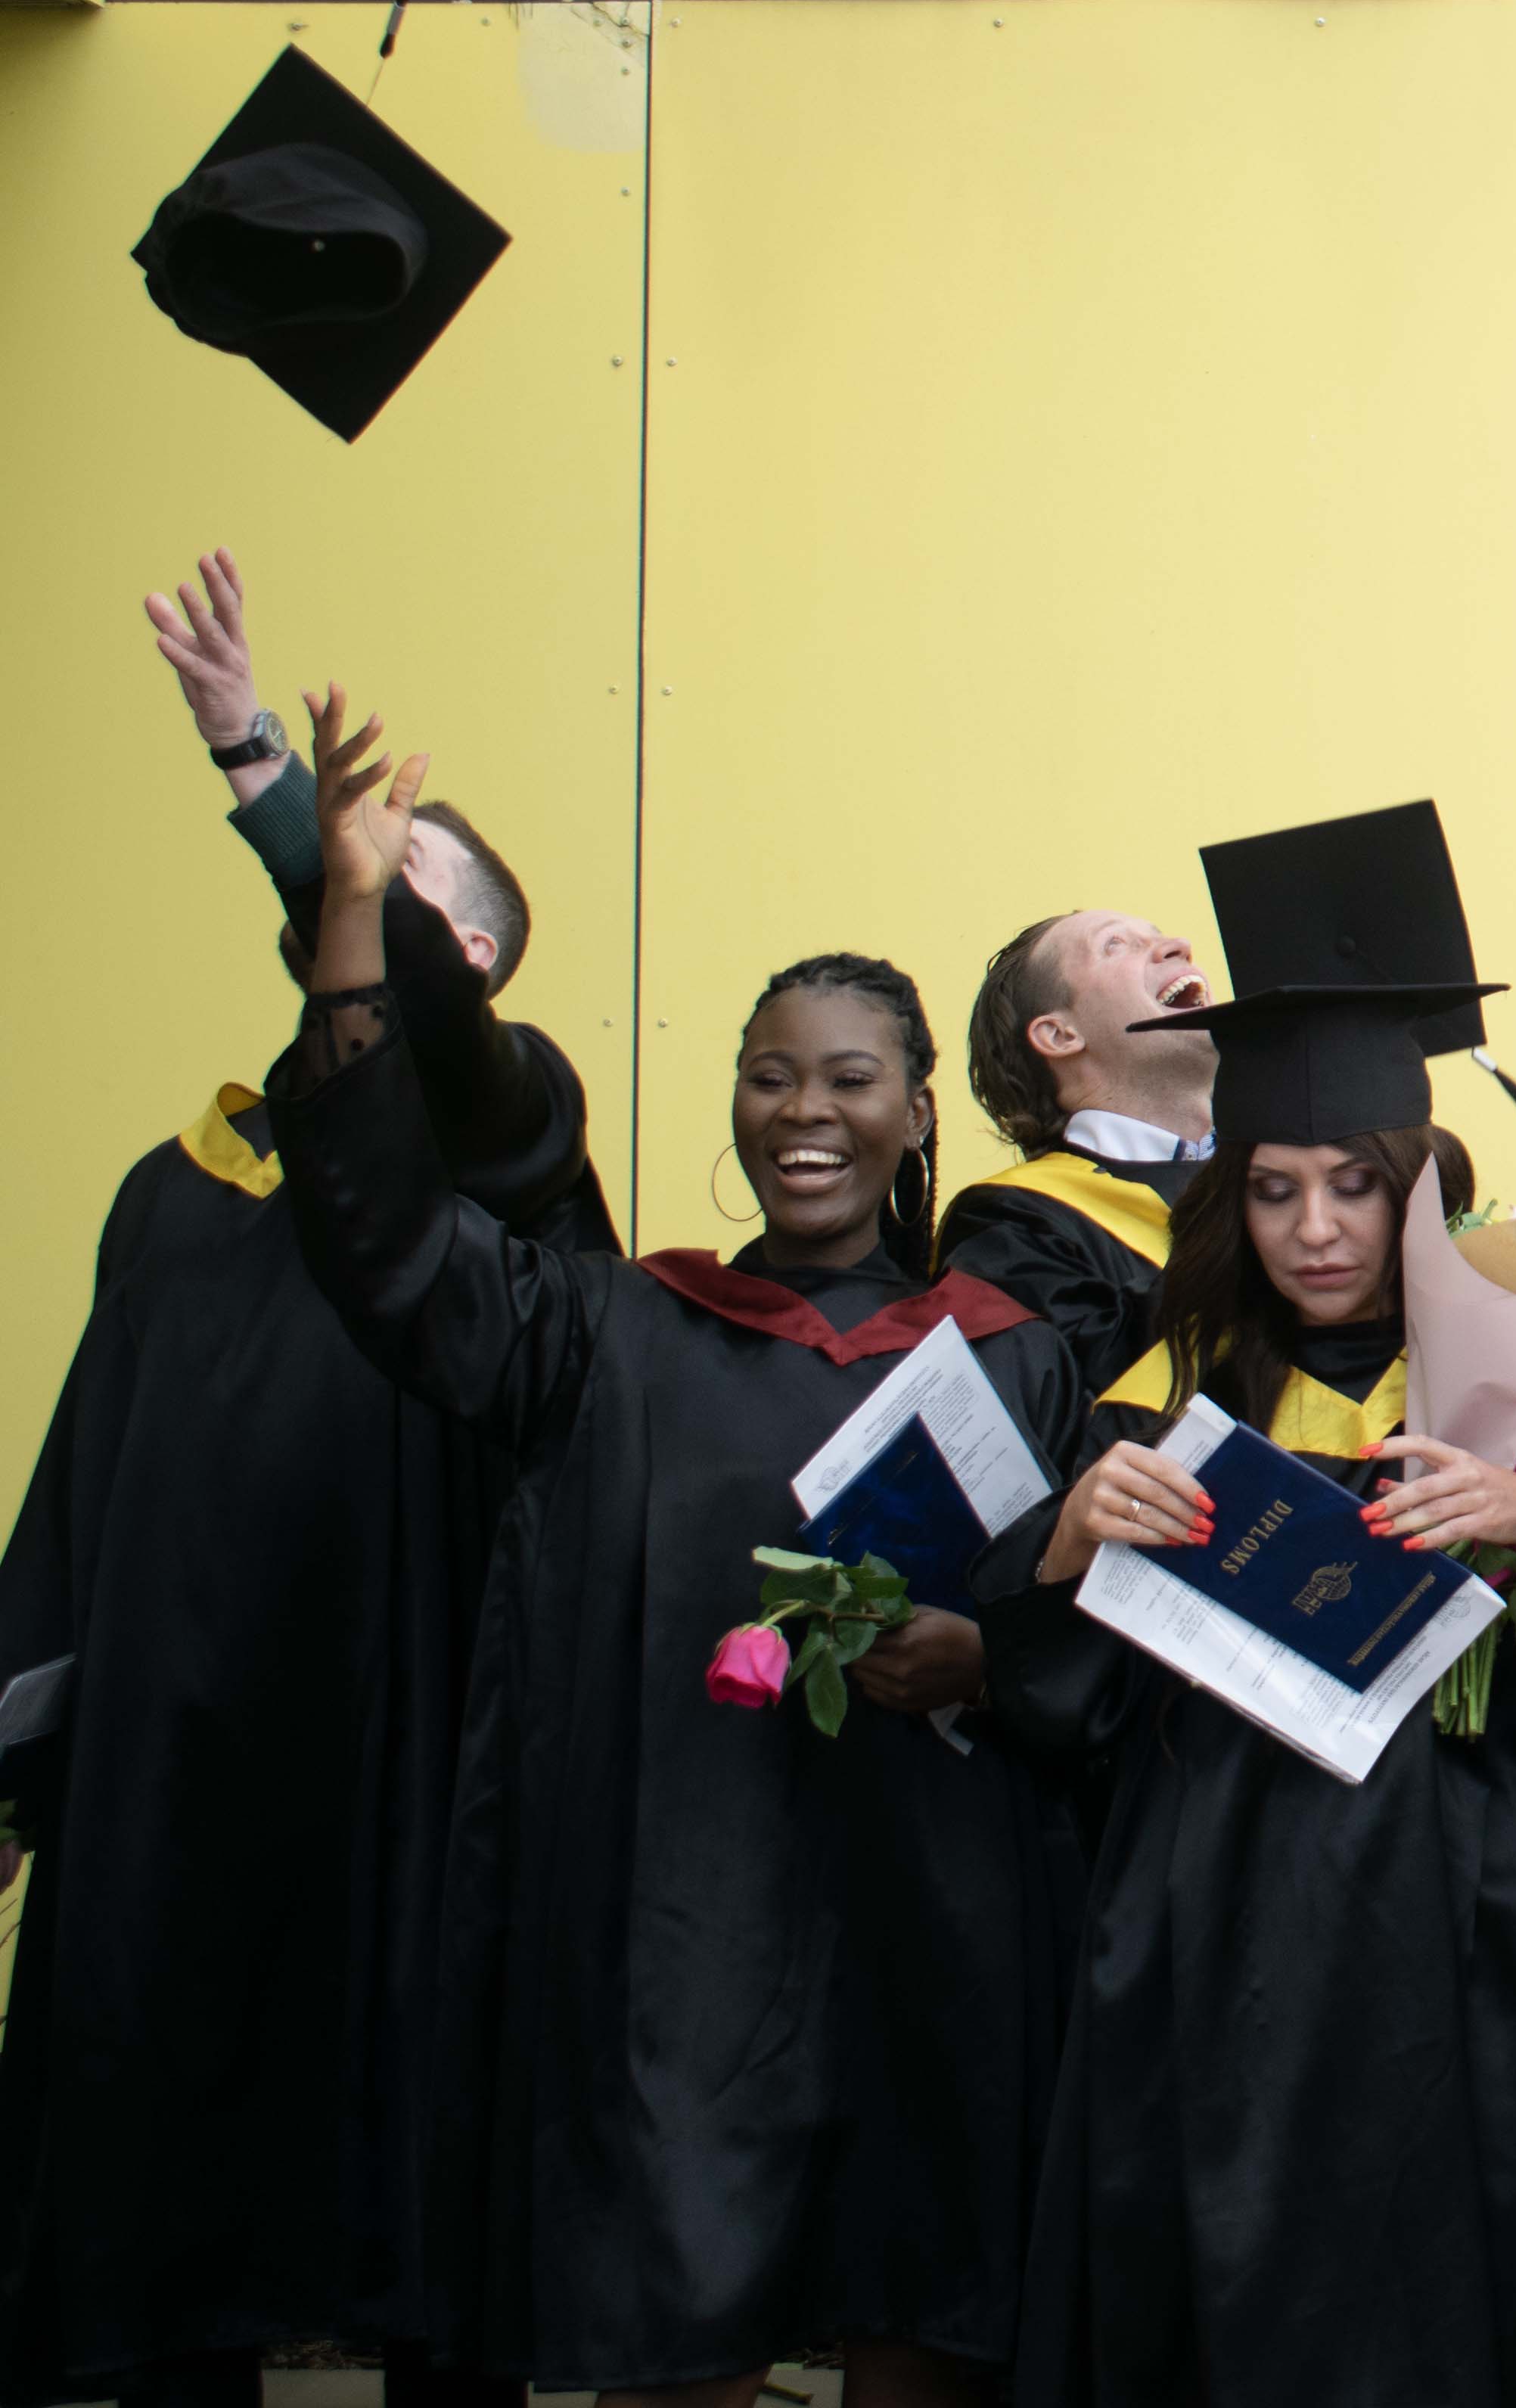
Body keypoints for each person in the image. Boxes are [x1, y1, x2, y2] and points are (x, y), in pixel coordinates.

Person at [263, 693, 1083, 2408]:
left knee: (926, 2303)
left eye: (848, 1079)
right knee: (677, 2316)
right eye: (769, 1076)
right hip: (687, 1929)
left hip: (940, 1925)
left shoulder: (1011, 1354)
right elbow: (387, 1241)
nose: (803, 1111)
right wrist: (348, 913)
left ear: (917, 1111)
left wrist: (988, 1658)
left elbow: (1091, 1635)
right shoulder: (619, 1327)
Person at [0, 561, 603, 2408]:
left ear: (469, 960)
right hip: (179, 1762)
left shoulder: (508, 1142)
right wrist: (21, 1746)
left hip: (406, 1749)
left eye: (391, 877)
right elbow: (84, 1476)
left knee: (422, 2201)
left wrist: (270, 786)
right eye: (349, 870)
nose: (350, 886)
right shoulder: (177, 1182)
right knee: (168, 2213)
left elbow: (408, 1035)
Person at [973, 983, 1516, 2408]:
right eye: (1272, 1191)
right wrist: (1067, 1543)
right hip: (1228, 1936)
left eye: (1353, 1187)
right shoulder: (1169, 1399)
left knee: (1487, 2272)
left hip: (1494, 1931)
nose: (1314, 1229)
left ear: (1417, 1188)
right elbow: (1060, 1710)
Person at [939, 909, 1220, 1400]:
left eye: (1155, 935)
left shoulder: (1295, 1166)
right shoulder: (1012, 1228)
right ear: (1060, 1035)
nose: (1179, 945)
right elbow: (1090, 1410)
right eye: (1116, 945)